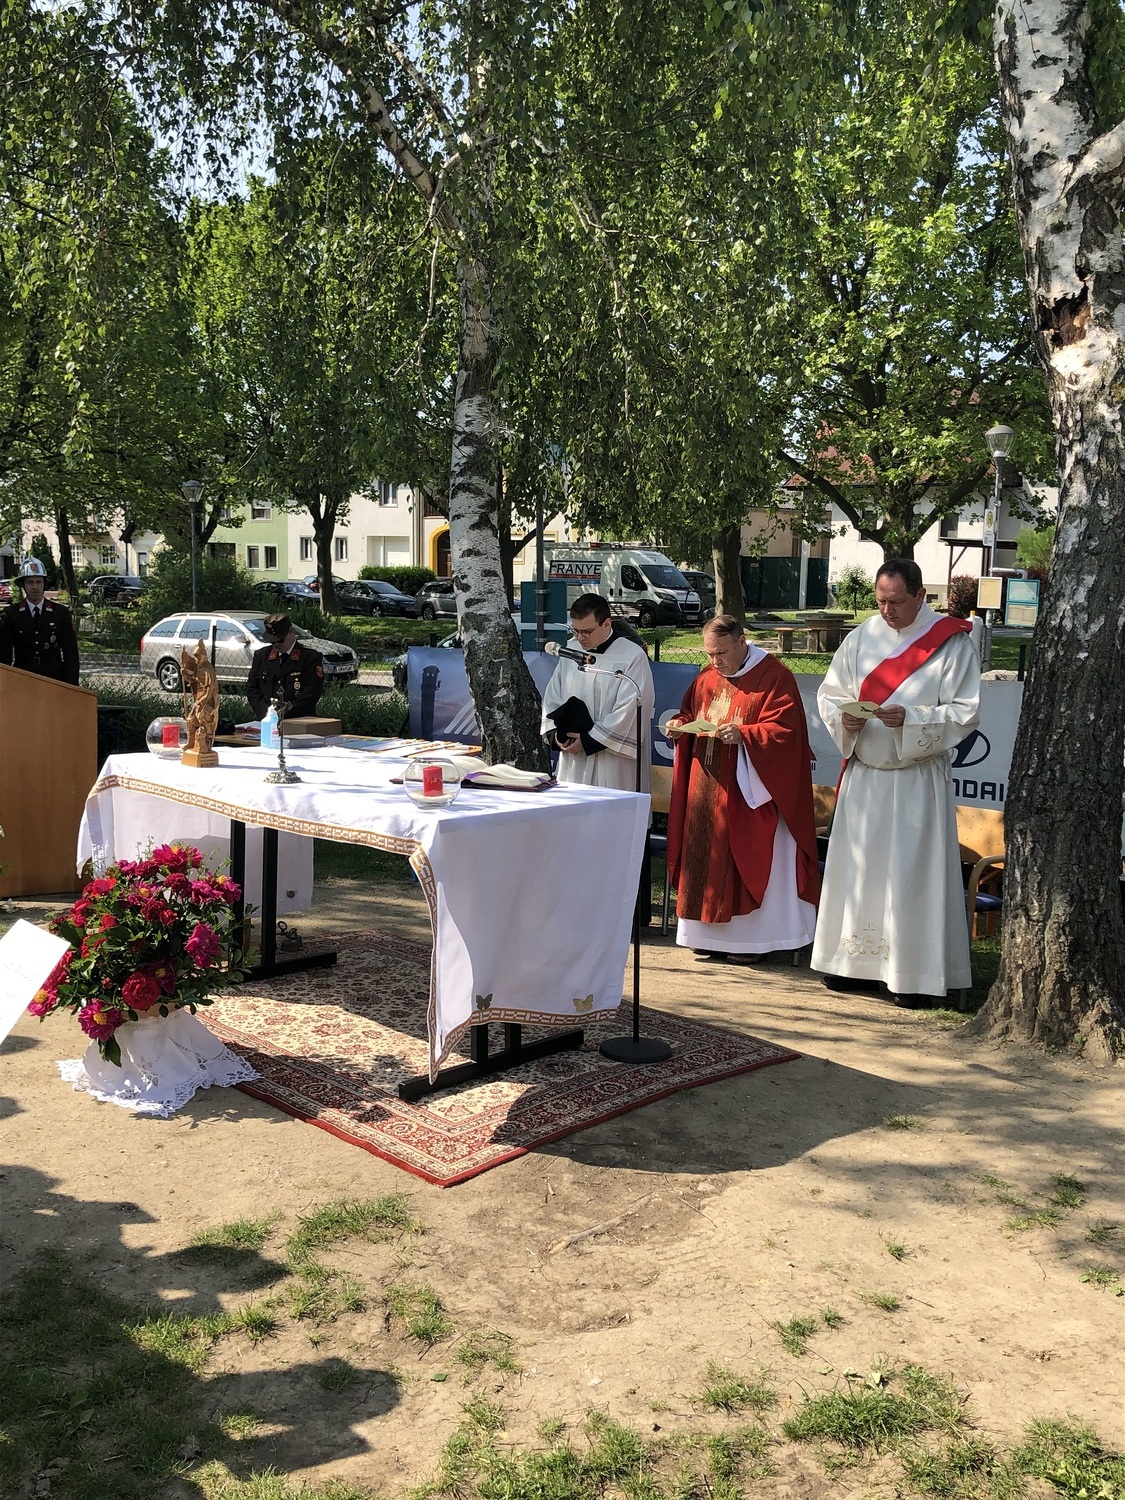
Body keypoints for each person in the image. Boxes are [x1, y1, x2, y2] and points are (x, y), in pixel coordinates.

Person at [812, 559, 980, 1007]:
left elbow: (966, 711)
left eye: (897, 602)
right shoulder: (861, 637)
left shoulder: (951, 642)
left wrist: (913, 718)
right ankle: (853, 965)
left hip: (915, 780)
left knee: (911, 876)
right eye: (881, 601)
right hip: (866, 777)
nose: (887, 610)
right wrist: (844, 718)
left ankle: (912, 975)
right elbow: (830, 694)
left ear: (921, 595)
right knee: (860, 872)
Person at [666, 615, 820, 964]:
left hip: (750, 792)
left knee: (744, 857)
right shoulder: (707, 677)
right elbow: (691, 712)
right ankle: (704, 934)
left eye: (721, 653)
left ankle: (750, 942)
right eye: (709, 653)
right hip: (707, 784)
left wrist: (746, 735)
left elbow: (787, 733)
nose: (715, 661)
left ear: (741, 642)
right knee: (705, 857)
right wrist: (679, 724)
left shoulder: (774, 677)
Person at [540, 594, 655, 792]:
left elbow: (630, 707)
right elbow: (553, 695)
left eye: (586, 631)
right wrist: (557, 734)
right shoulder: (572, 651)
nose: (580, 638)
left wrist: (589, 740)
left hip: (612, 759)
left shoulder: (631, 655)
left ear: (607, 623)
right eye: (575, 630)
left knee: (611, 806)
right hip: (574, 756)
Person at [0, 557, 80, 684]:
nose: (35, 587)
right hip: (23, 679)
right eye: (30, 582)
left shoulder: (60, 613)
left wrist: (71, 686)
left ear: (44, 584)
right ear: (23, 585)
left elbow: (71, 655)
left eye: (39, 582)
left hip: (53, 679)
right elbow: (4, 655)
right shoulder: (11, 614)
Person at [246, 614, 325, 721]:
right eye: (272, 641)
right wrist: (267, 713)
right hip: (267, 720)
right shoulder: (262, 656)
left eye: (280, 640)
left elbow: (312, 693)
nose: (276, 645)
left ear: (292, 633)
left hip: (299, 720)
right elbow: (252, 688)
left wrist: (285, 712)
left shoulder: (309, 658)